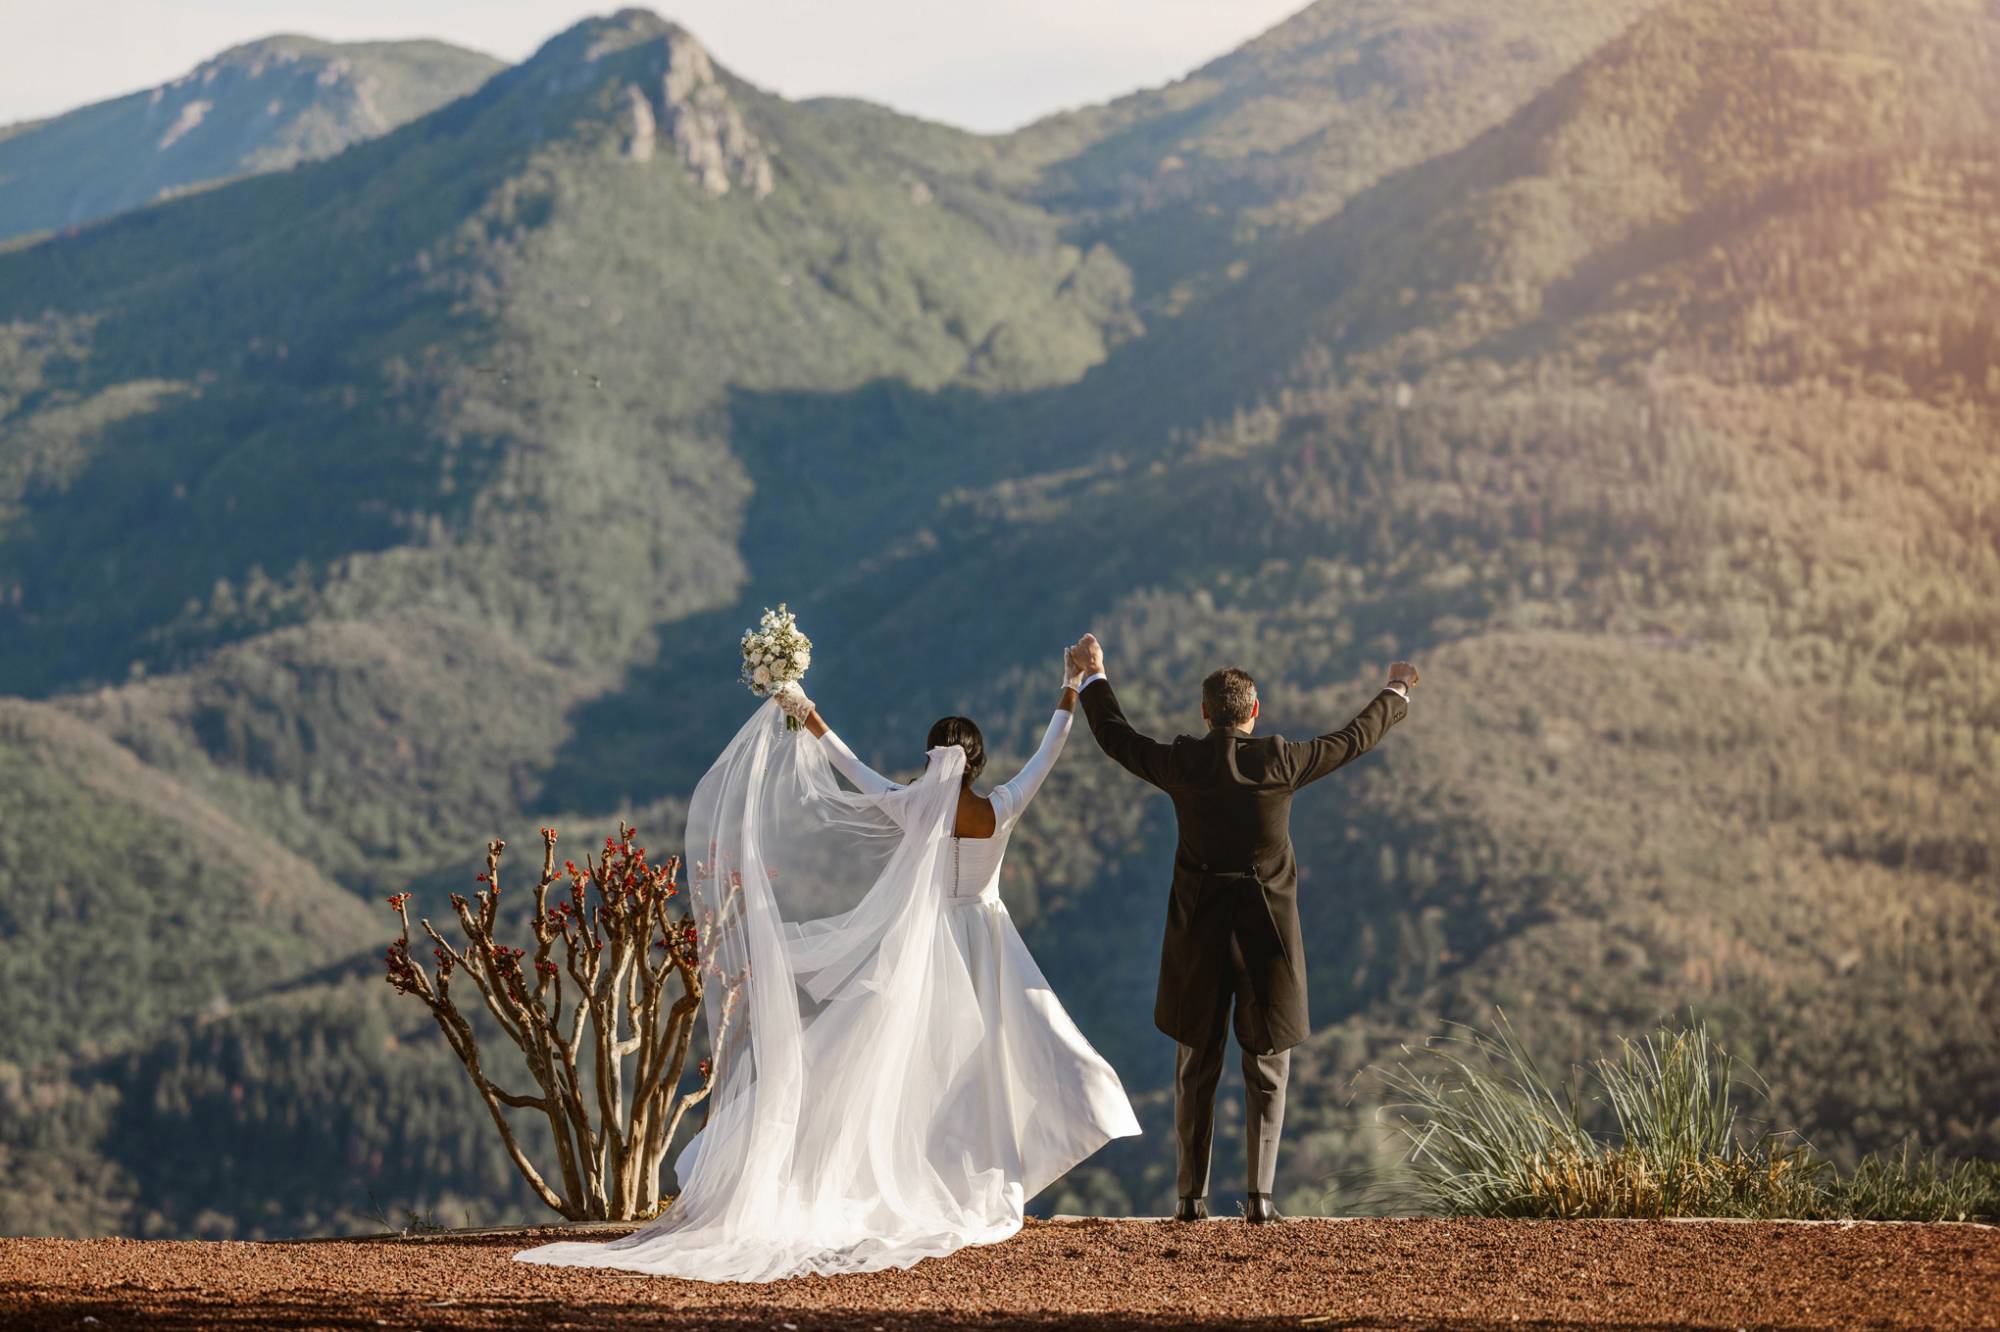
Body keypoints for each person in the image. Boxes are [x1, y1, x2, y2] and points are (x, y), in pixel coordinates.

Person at [515, 652, 1138, 1280]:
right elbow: (1047, 755)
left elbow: (851, 767)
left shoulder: (908, 806)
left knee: (899, 1069)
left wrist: (805, 712)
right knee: (1002, 1060)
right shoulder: (1000, 808)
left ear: (931, 759)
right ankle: (974, 1175)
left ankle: (913, 1179)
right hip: (988, 947)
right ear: (975, 763)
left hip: (919, 952)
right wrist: (1071, 685)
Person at [1068, 631, 1416, 1223]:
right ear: (1254, 712)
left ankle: (1190, 1199)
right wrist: (1396, 689)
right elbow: (1353, 739)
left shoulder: (1184, 761)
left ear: (1206, 715)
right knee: (1267, 1065)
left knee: (1195, 1067)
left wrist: (1094, 675)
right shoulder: (1280, 760)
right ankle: (1260, 1198)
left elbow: (1117, 739)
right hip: (1267, 939)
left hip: (1197, 935)